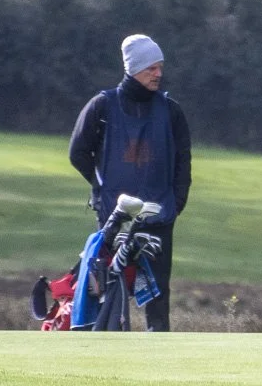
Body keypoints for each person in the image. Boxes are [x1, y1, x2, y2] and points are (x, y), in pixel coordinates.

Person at [69, 34, 192, 332]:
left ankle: (158, 357)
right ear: (134, 68)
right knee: (106, 290)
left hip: (159, 217)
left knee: (159, 296)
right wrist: (102, 189)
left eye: (160, 67)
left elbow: (183, 163)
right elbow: (79, 153)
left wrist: (175, 204)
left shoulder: (171, 111)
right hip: (116, 218)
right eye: (152, 68)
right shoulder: (102, 106)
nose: (158, 74)